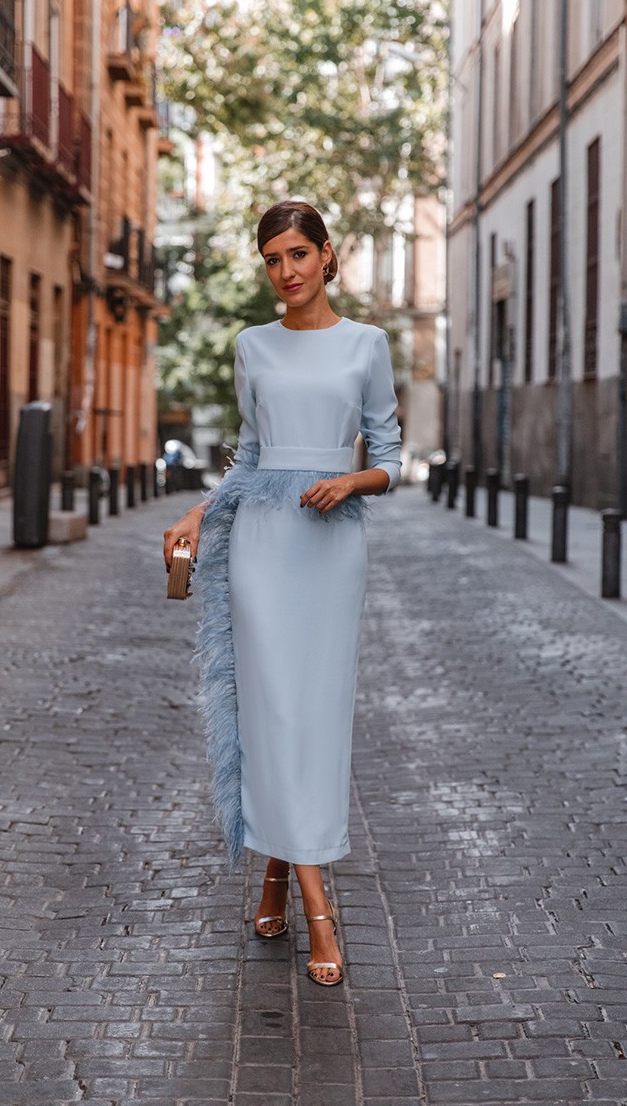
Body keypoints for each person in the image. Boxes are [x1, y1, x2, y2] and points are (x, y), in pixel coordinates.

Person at [163, 201, 401, 986]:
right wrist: (201, 510)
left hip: (331, 550)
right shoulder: (251, 346)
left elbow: (393, 457)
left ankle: (274, 875)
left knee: (316, 716)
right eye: (272, 259)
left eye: (298, 254)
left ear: (327, 256)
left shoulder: (367, 344)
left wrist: (351, 480)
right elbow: (253, 455)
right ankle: (316, 904)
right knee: (270, 714)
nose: (286, 271)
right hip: (262, 547)